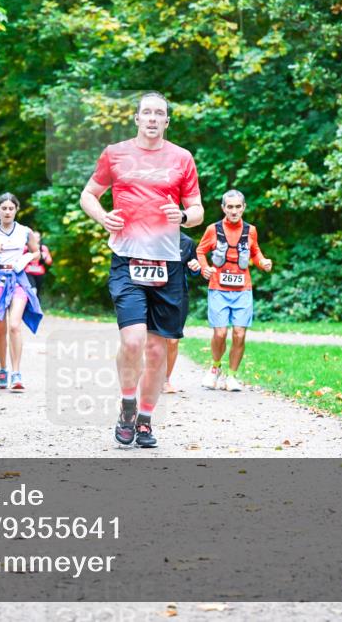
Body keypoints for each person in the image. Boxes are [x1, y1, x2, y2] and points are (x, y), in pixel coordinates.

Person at [79, 91, 204, 448]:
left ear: (166, 121)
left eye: (159, 113)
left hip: (168, 263)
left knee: (156, 349)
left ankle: (146, 419)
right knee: (132, 340)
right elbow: (89, 194)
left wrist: (181, 216)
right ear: (136, 118)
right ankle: (127, 405)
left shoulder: (182, 158)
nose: (152, 118)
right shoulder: (115, 154)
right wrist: (103, 216)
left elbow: (197, 211)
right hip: (127, 258)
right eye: (146, 112)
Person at [195, 190, 273, 392]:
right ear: (223, 208)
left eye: (238, 206)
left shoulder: (251, 230)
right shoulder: (213, 229)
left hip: (243, 290)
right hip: (218, 289)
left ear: (244, 207)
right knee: (220, 333)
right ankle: (215, 368)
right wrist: (205, 268)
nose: (234, 211)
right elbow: (201, 251)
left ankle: (231, 376)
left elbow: (255, 252)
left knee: (239, 334)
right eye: (230, 207)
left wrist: (262, 262)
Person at [0, 193, 45, 393]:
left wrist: (28, 257)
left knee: (14, 325)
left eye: (10, 208)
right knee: (0, 330)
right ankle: (3, 368)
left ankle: (16, 373)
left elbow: (37, 252)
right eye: (3, 208)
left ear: (16, 210)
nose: (7, 212)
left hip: (18, 280)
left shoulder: (25, 231)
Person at [164, 231, 202, 394]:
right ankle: (151, 377)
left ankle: (165, 380)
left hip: (178, 295)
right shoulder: (149, 236)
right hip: (152, 293)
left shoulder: (187, 242)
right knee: (154, 340)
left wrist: (195, 267)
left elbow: (194, 270)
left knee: (172, 341)